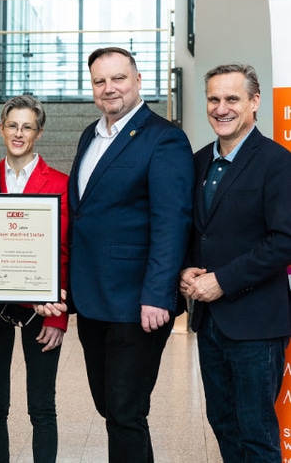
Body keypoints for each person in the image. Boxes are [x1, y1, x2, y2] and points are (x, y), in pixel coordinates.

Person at [67, 47, 193, 462]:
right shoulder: (90, 135)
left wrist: (158, 294)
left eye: (119, 78)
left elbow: (171, 222)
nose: (110, 88)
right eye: (100, 81)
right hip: (92, 299)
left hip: (136, 302)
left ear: (138, 81)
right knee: (109, 405)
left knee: (125, 411)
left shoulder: (164, 137)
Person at [180, 64, 291, 461]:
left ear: (254, 102)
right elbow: (198, 232)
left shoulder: (277, 162)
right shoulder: (196, 163)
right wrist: (186, 267)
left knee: (256, 430)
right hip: (209, 322)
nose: (221, 108)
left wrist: (222, 281)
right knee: (223, 423)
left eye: (232, 99)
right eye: (214, 99)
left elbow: (284, 242)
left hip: (256, 324)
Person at [0, 95, 69, 463]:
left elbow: (65, 252)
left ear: (39, 133)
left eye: (27, 126)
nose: (19, 133)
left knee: (42, 406)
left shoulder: (61, 183)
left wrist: (59, 315)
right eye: (12, 125)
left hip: (43, 309)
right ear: (1, 129)